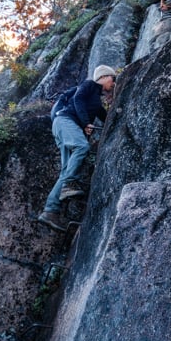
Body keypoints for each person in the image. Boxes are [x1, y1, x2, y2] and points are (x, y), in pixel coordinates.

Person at [38, 65, 116, 231]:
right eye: (113, 79)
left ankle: (50, 211)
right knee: (82, 146)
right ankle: (68, 185)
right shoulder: (89, 85)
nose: (114, 83)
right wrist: (85, 122)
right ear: (104, 76)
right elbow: (77, 99)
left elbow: (104, 116)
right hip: (66, 122)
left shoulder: (95, 99)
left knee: (66, 170)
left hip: (62, 126)